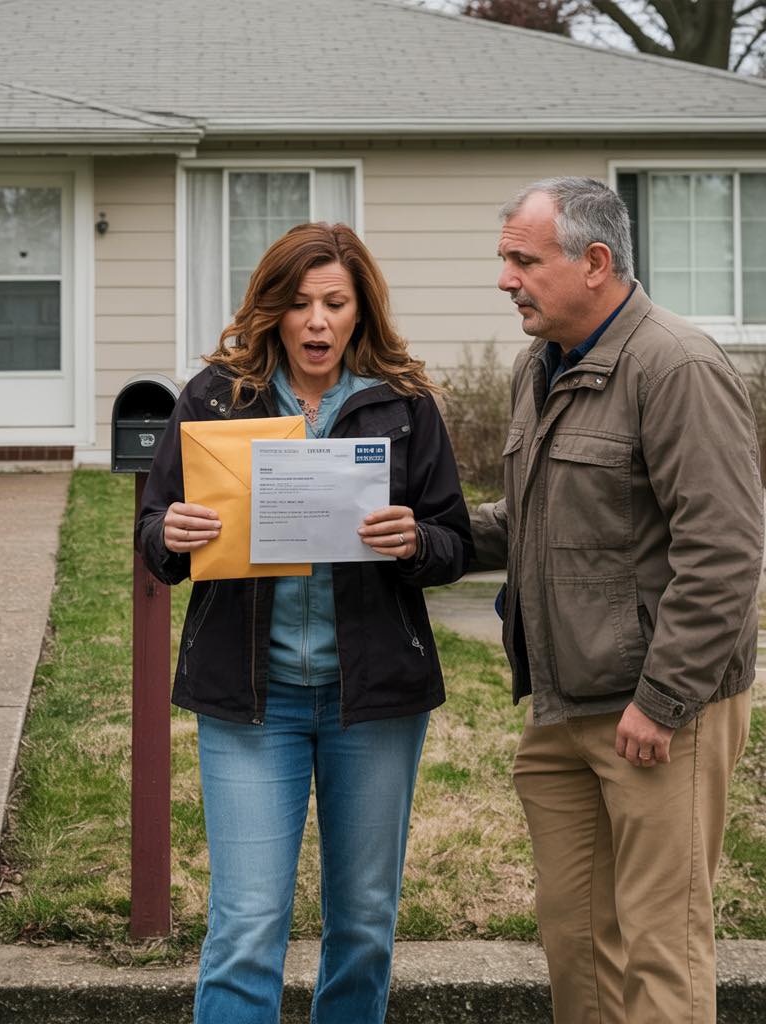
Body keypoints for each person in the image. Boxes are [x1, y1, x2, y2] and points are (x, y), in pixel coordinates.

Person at [136, 222, 471, 1024]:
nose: (317, 321)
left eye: (335, 303)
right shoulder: (217, 397)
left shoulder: (404, 404)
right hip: (255, 703)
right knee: (247, 926)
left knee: (362, 925)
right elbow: (155, 531)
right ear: (272, 311)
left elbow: (453, 539)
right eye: (299, 304)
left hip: (375, 704)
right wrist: (169, 536)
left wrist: (416, 541)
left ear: (361, 312)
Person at [472, 177, 762, 1023]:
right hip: (563, 711)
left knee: (659, 946)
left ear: (595, 262)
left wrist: (663, 700)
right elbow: (529, 517)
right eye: (505, 261)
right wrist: (423, 539)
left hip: (658, 715)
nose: (506, 280)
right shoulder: (542, 364)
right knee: (577, 944)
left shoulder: (677, 366)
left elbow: (725, 553)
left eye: (523, 260)